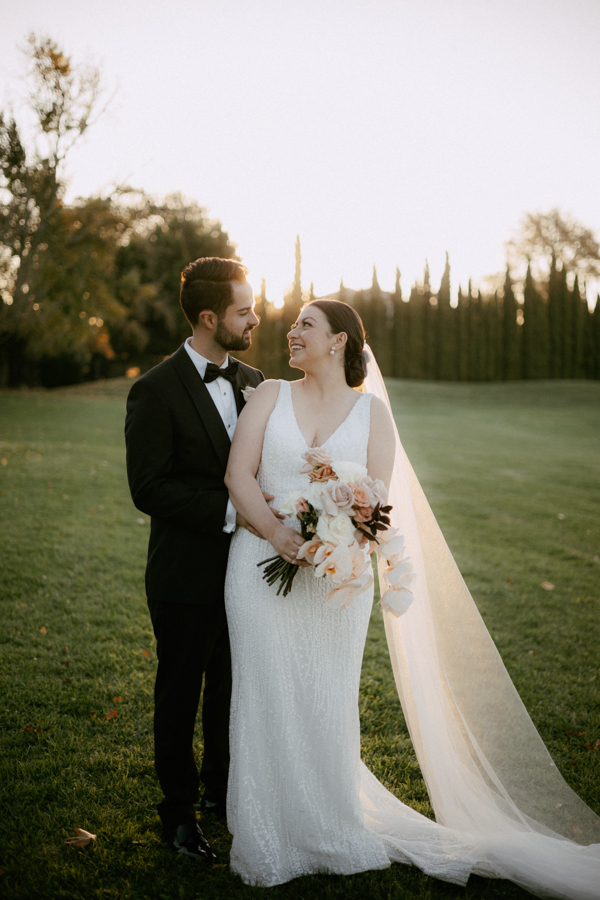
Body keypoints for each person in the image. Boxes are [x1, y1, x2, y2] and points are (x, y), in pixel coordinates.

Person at [223, 298, 600, 897]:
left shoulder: (372, 413)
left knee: (325, 698)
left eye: (306, 325)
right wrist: (279, 534)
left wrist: (340, 537)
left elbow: (376, 498)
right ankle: (268, 833)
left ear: (340, 340)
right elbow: (237, 475)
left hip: (337, 581)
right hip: (259, 567)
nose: (291, 332)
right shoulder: (268, 395)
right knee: (265, 691)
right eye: (294, 325)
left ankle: (328, 824)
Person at [125, 257, 277, 862]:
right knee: (180, 691)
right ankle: (179, 813)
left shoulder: (257, 382)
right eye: (244, 311)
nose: (256, 318)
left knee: (232, 691)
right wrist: (232, 509)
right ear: (211, 318)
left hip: (246, 573)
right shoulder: (154, 390)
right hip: (184, 574)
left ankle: (223, 791)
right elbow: (148, 487)